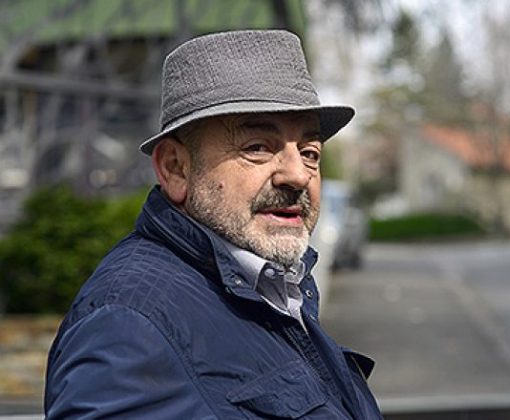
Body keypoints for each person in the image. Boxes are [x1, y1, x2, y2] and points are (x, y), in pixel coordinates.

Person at [44, 30, 382, 419]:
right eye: (257, 147)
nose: (298, 175)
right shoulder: (128, 325)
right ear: (175, 168)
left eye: (309, 152)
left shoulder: (274, 289)